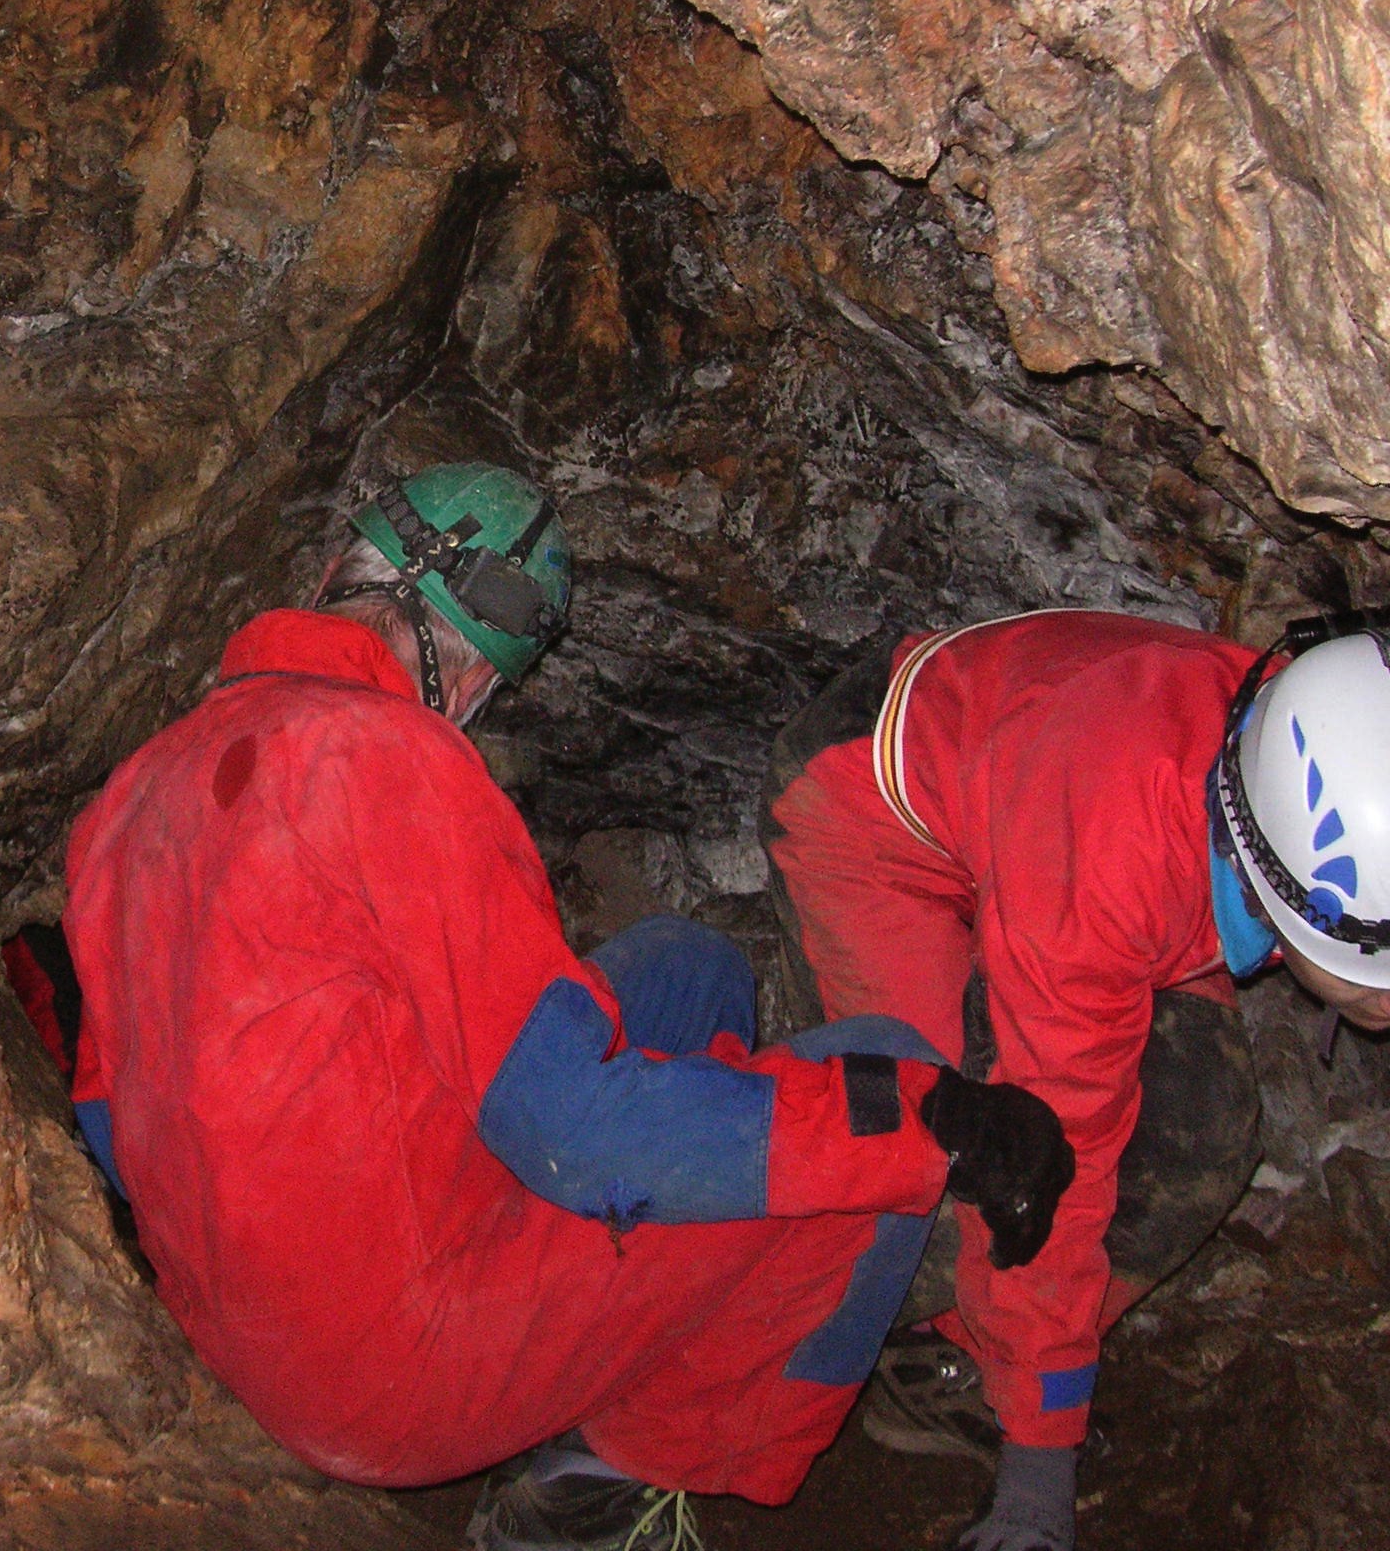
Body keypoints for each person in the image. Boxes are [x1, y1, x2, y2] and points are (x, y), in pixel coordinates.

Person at [60, 463, 1074, 1550]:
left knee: (687, 972)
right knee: (876, 1087)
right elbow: (574, 1131)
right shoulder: (391, 758)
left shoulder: (133, 794)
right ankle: (606, 1486)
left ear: (331, 578)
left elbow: (112, 1130)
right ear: (465, 675)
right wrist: (925, 1122)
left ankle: (619, 1325)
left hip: (240, 1321)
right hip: (392, 1378)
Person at [763, 608, 1390, 1551]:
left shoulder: (1323, 745)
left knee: (1203, 1124)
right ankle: (743, 1343)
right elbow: (1049, 1170)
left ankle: (982, 1351)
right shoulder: (1116, 862)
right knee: (932, 1164)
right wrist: (1041, 1462)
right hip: (877, 817)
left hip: (1050, 813)